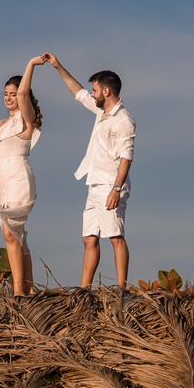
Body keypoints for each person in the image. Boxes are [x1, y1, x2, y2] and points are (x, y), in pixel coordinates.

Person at [42, 53, 135, 289]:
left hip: (111, 184)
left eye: (95, 90)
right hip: (94, 183)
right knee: (89, 237)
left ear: (106, 91)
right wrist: (58, 67)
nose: (92, 94)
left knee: (115, 236)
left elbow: (126, 158)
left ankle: (122, 289)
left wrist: (116, 189)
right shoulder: (101, 112)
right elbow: (78, 93)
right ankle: (85, 289)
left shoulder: (123, 119)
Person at [0, 56, 46, 297]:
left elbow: (24, 93)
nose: (9, 97)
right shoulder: (1, 123)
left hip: (18, 175)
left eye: (13, 94)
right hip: (1, 179)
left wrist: (31, 64)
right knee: (17, 236)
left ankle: (18, 291)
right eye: (6, 94)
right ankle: (29, 288)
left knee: (10, 232)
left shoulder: (26, 117)